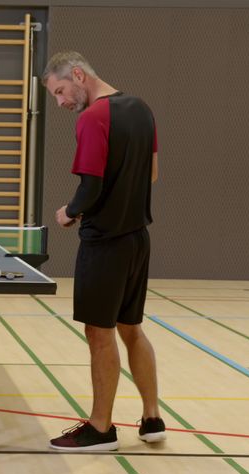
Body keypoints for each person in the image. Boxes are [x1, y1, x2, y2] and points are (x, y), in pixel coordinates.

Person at [42, 51, 166, 452]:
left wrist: (68, 213)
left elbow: (89, 187)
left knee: (99, 332)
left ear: (79, 75)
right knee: (131, 328)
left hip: (105, 243)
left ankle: (100, 428)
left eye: (60, 91)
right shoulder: (142, 109)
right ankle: (152, 418)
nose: (61, 102)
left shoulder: (93, 117)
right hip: (137, 240)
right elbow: (152, 173)